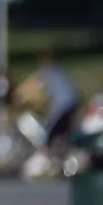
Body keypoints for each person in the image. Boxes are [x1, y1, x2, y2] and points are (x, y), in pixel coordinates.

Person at [16, 50, 80, 178]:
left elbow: (31, 87)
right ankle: (60, 157)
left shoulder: (47, 71)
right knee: (64, 132)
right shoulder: (58, 70)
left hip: (62, 107)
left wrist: (18, 97)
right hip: (73, 102)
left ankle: (50, 161)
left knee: (49, 133)